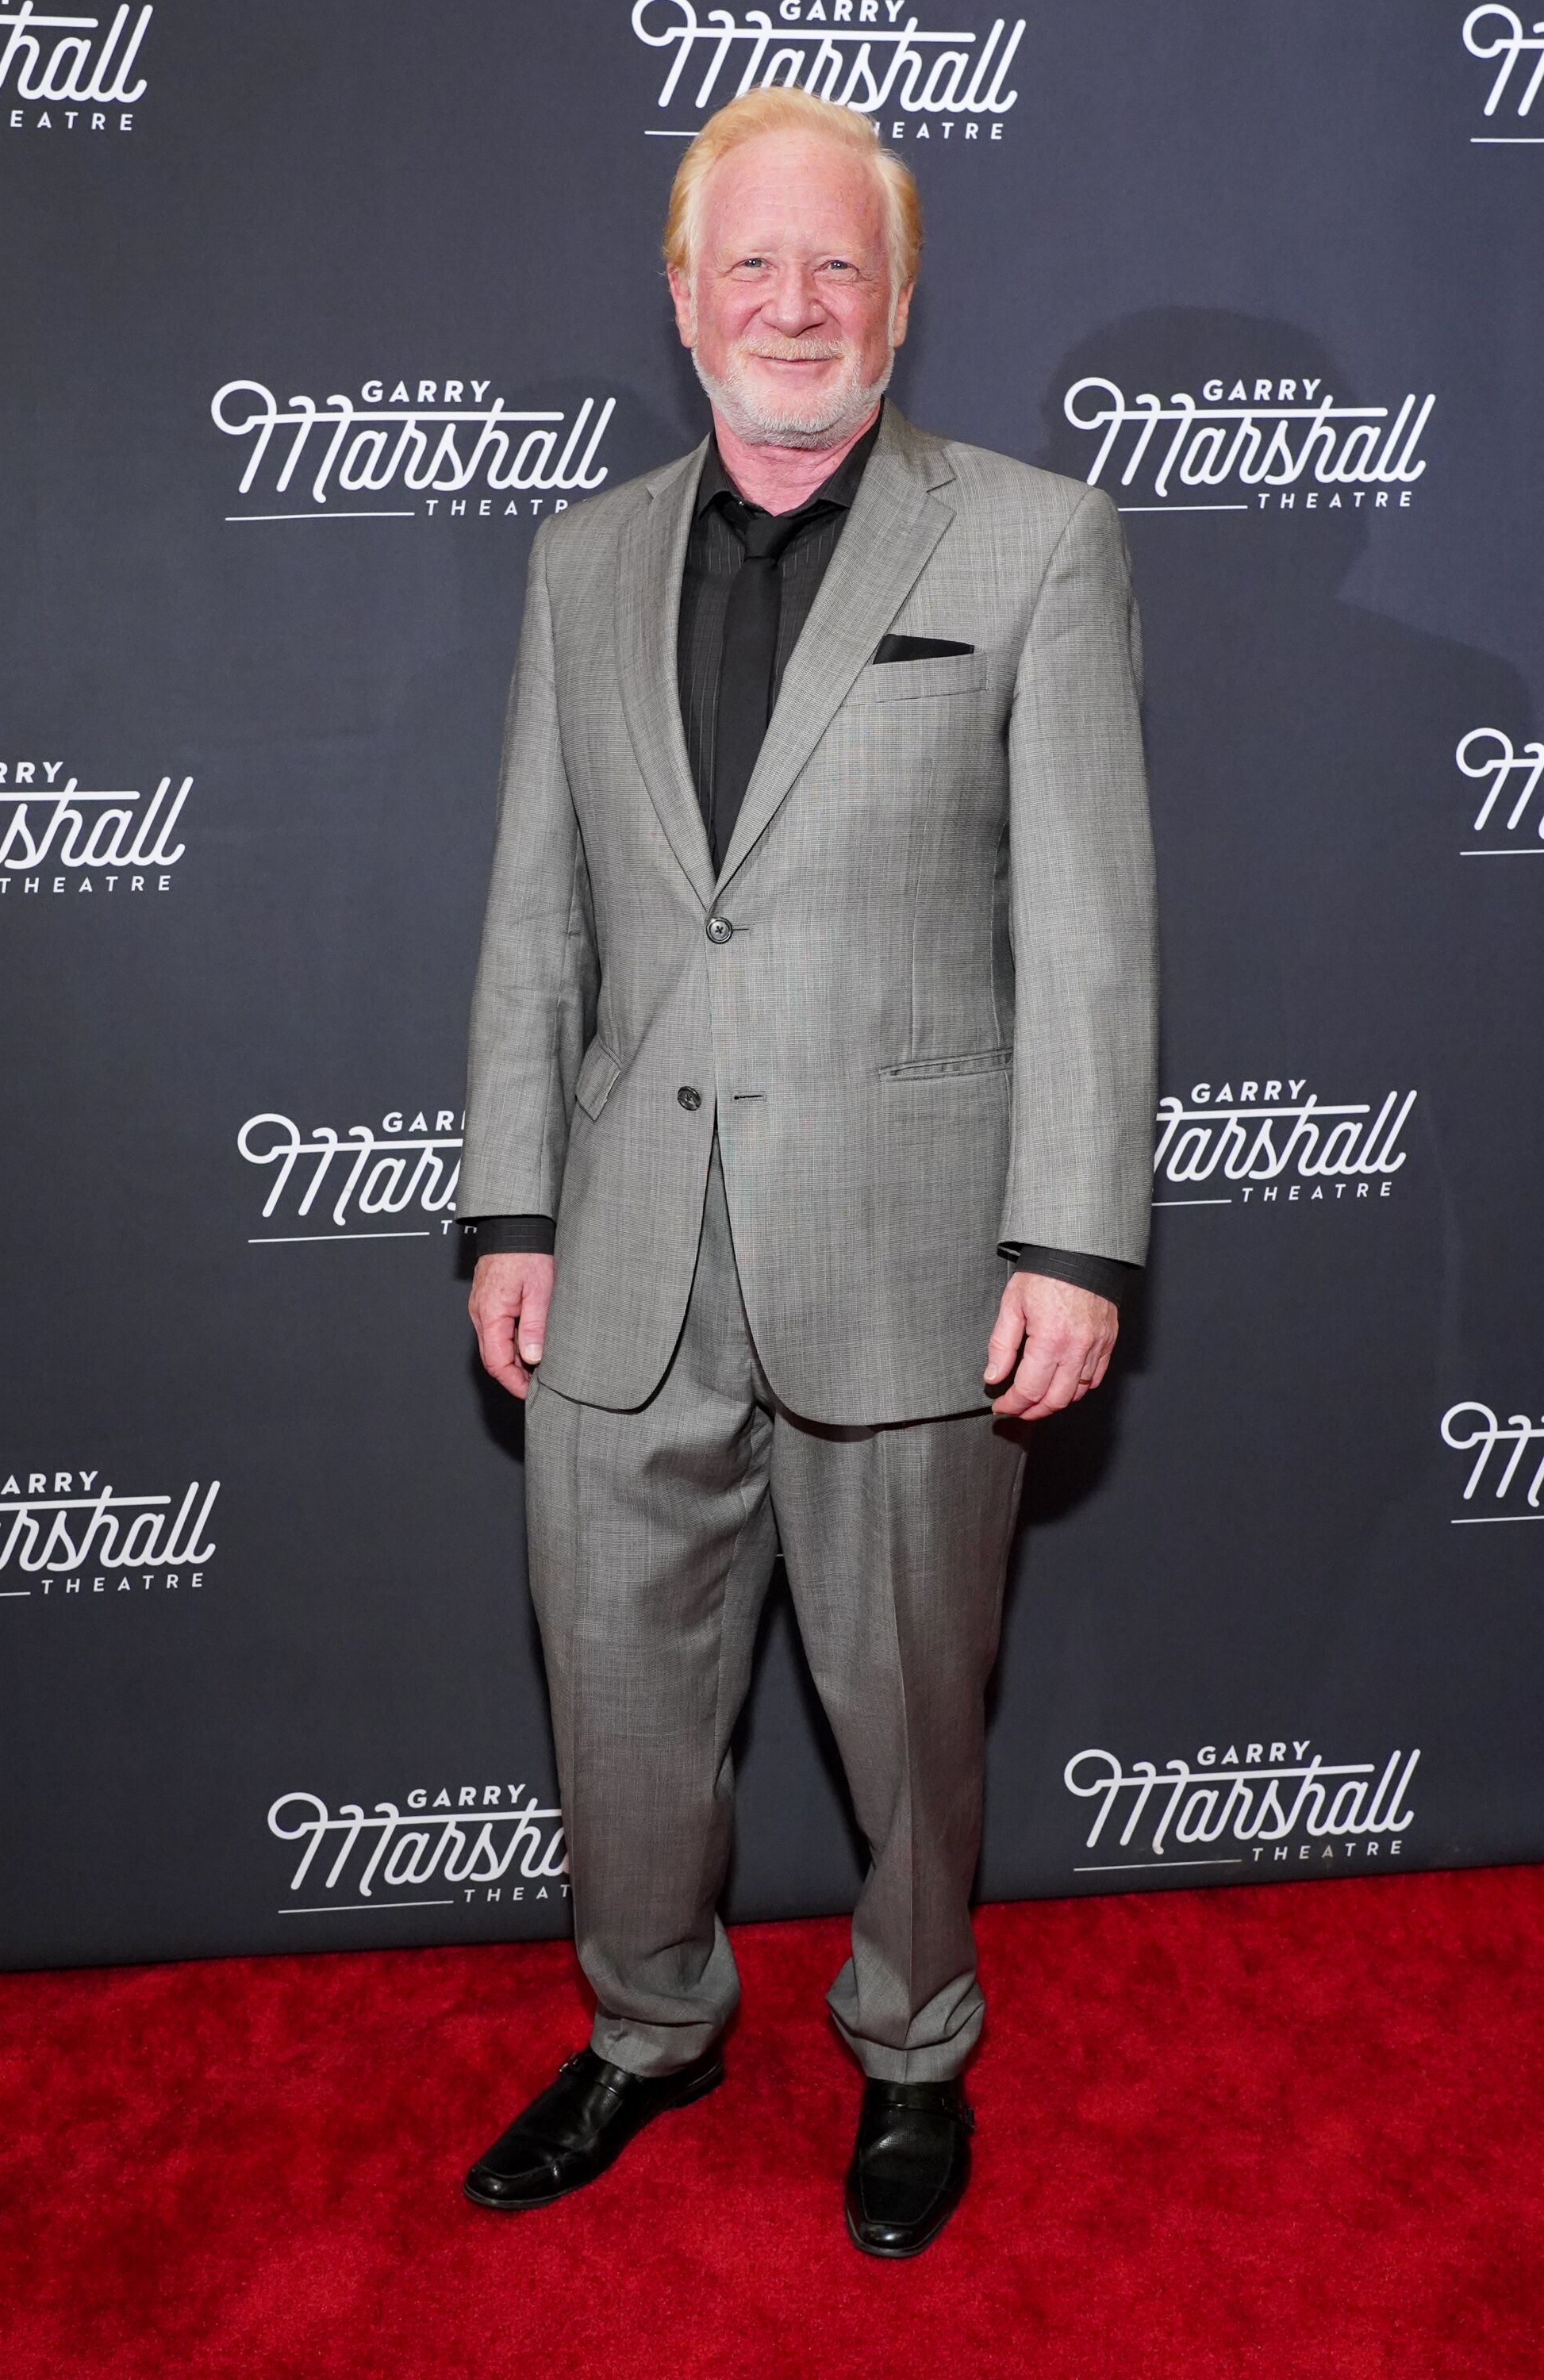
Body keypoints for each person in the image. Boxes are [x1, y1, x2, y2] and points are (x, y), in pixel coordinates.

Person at [456, 84, 1156, 2258]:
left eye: (837, 264)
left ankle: (915, 2044)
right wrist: (508, 1206)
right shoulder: (579, 561)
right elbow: (537, 916)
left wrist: (1070, 1237)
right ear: (680, 298)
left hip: (924, 1262)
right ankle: (647, 2028)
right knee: (624, 1697)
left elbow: (1092, 924)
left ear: (902, 295)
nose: (793, 300)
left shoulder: (1035, 541)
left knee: (913, 1710)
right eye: (747, 262)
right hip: (629, 1251)